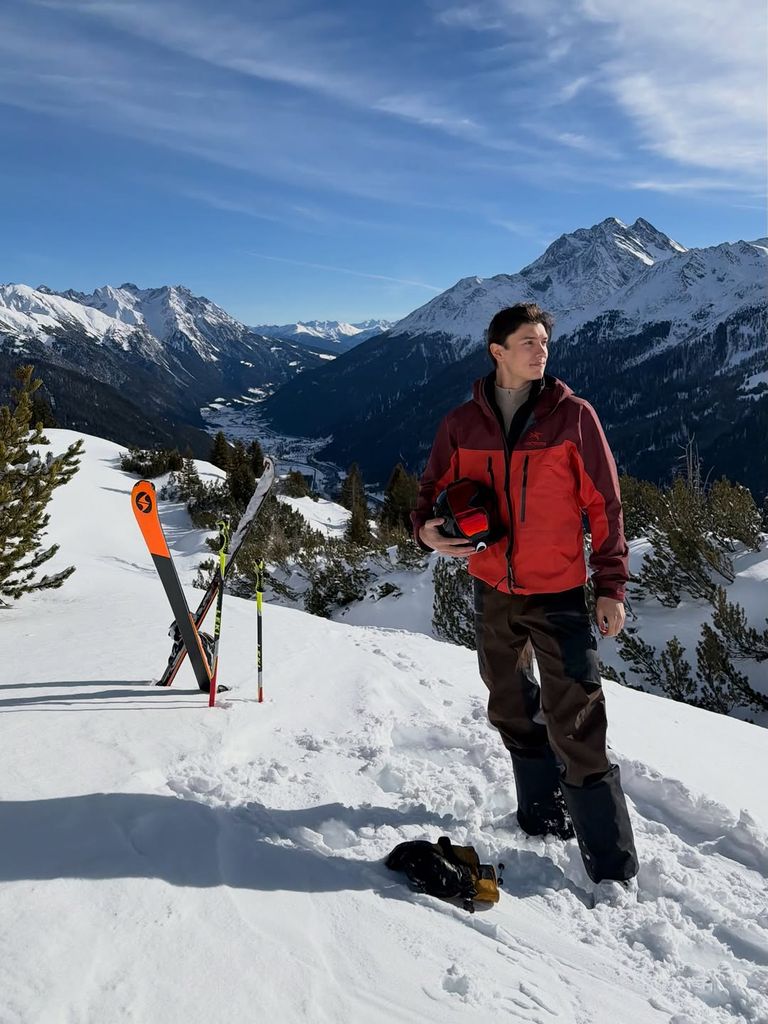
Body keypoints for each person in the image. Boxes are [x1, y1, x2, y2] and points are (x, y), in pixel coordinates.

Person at [411, 302, 638, 891]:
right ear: (498, 352)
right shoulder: (462, 425)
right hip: (493, 589)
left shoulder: (573, 418)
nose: (541, 351)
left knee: (578, 720)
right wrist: (427, 530)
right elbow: (429, 493)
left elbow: (604, 507)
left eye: (544, 342)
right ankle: (542, 820)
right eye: (529, 342)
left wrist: (610, 585)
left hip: (560, 591)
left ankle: (612, 869)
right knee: (510, 705)